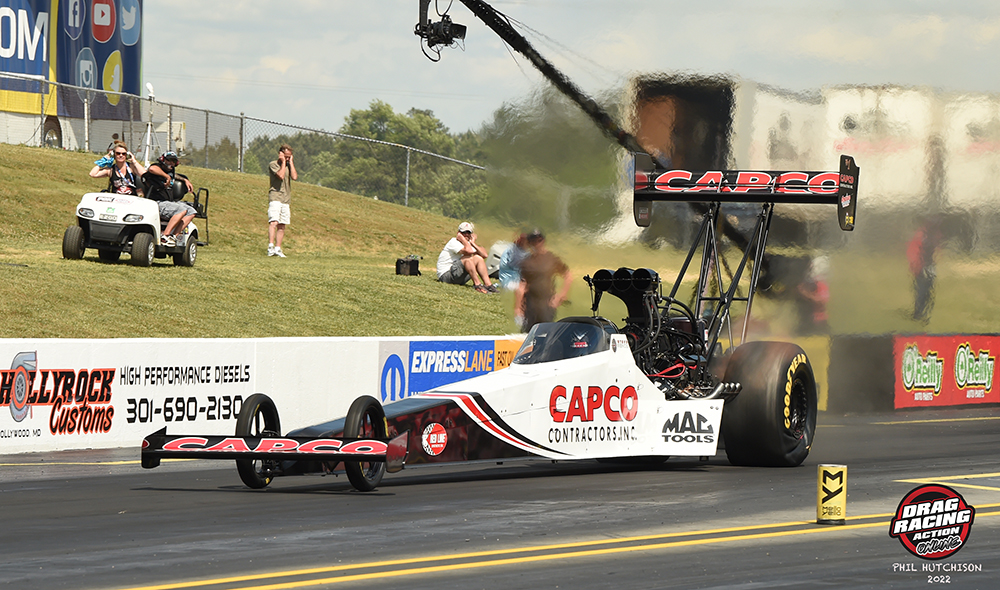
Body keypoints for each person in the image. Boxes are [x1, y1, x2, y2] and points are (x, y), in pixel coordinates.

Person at [519, 230, 572, 331]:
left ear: (543, 241)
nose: (536, 244)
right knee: (529, 333)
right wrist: (519, 305)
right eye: (533, 241)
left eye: (539, 240)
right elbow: (523, 283)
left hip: (547, 301)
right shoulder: (526, 262)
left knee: (546, 331)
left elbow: (568, 275)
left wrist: (561, 295)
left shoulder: (551, 258)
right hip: (531, 302)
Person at [142, 152, 196, 247]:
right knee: (181, 210)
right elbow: (152, 168)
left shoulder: (171, 171)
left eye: (173, 161)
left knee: (191, 211)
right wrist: (166, 177)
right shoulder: (157, 168)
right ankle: (165, 236)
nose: (171, 163)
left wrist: (185, 180)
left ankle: (173, 237)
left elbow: (173, 175)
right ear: (163, 160)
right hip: (155, 202)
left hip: (168, 202)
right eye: (168, 160)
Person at [436, 222, 497, 293]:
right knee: (467, 259)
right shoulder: (453, 242)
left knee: (478, 258)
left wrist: (473, 243)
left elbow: (484, 255)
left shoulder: (468, 244)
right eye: (464, 232)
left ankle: (488, 285)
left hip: (457, 276)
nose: (466, 235)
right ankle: (477, 285)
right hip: (446, 276)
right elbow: (469, 251)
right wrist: (463, 240)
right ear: (459, 233)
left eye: (468, 233)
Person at [267, 144, 297, 257]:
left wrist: (291, 162)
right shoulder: (273, 164)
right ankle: (270, 247)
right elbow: (280, 175)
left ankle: (278, 248)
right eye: (286, 156)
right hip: (276, 196)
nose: (288, 158)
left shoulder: (289, 165)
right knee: (274, 222)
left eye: (289, 156)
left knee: (282, 224)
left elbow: (294, 177)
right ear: (280, 154)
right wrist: (283, 162)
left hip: (285, 198)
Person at [498, 233, 530, 326]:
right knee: (523, 286)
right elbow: (513, 266)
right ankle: (518, 315)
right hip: (509, 281)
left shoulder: (527, 252)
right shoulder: (511, 250)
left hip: (520, 280)